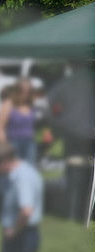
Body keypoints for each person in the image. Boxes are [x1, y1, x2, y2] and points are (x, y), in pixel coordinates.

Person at [45, 61, 95, 222]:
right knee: (90, 173)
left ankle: (73, 214)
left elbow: (49, 108)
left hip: (73, 133)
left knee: (74, 173)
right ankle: (86, 211)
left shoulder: (67, 83)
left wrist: (57, 123)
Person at [0, 80, 37, 164]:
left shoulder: (30, 105)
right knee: (15, 168)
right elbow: (0, 127)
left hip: (30, 142)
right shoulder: (8, 104)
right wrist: (4, 145)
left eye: (29, 91)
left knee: (30, 168)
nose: (26, 94)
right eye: (22, 91)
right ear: (16, 91)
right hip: (13, 142)